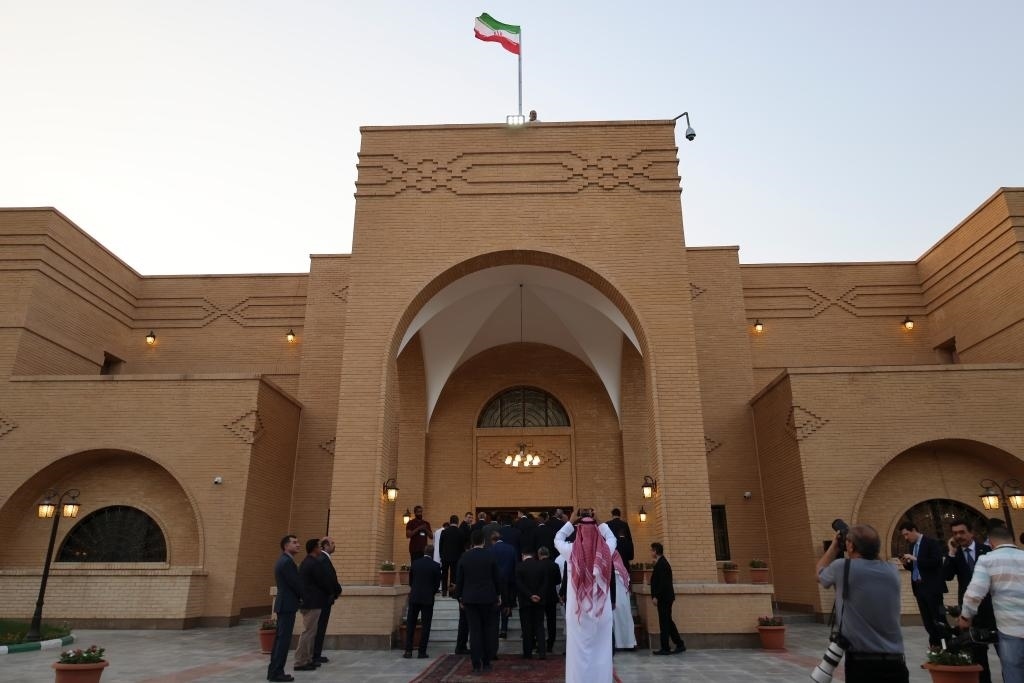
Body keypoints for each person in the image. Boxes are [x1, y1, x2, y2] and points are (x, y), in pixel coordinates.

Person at [817, 523, 908, 682]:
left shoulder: (842, 567)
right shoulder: (892, 570)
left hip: (861, 663)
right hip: (896, 661)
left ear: (851, 546)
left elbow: (819, 573)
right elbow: (872, 560)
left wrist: (834, 547)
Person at [554, 509, 617, 683]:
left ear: (579, 532)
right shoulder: (606, 550)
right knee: (601, 652)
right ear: (596, 531)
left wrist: (570, 522)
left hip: (577, 613)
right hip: (601, 613)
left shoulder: (570, 551)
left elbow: (557, 539)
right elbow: (612, 538)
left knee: (577, 652)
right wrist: (600, 522)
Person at [958, 524, 1024, 683]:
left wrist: (965, 617)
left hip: (1010, 627)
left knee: (1014, 670)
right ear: (1012, 540)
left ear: (991, 543)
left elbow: (974, 594)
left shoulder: (987, 560)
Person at [943, 519, 994, 683]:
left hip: (991, 607)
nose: (958, 536)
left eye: (962, 532)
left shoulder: (987, 550)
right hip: (970, 610)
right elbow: (947, 576)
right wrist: (951, 552)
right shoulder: (955, 554)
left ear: (971, 533)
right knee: (978, 654)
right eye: (955, 533)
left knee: (1005, 652)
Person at [454, 528, 501, 674]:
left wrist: (459, 597)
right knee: (487, 631)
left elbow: (459, 579)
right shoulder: (490, 555)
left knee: (474, 632)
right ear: (484, 541)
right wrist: (499, 595)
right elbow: (497, 578)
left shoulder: (464, 557)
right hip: (488, 598)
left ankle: (475, 665)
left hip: (470, 599)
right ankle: (486, 662)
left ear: (472, 542)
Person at [899, 521, 947, 649]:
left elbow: (936, 562)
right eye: (904, 535)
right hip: (919, 587)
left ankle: (946, 645)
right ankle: (935, 645)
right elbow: (915, 568)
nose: (906, 538)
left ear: (914, 530)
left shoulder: (931, 543)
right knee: (927, 620)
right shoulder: (912, 546)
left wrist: (915, 559)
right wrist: (906, 564)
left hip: (933, 588)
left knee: (939, 618)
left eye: (907, 534)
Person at [295, 538, 334, 671]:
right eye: (319, 546)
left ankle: (307, 659)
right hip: (312, 603)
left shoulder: (309, 562)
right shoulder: (312, 563)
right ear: (314, 548)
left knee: (311, 632)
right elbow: (322, 581)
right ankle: (301, 661)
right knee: (308, 632)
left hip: (311, 602)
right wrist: (332, 591)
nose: (320, 549)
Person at [268, 534, 301, 683]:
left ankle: (273, 671)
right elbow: (295, 584)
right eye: (294, 542)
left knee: (280, 639)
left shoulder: (284, 560)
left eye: (298, 542)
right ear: (286, 546)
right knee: (283, 640)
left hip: (285, 604)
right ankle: (277, 672)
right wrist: (305, 596)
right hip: (287, 605)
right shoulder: (287, 562)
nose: (298, 545)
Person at [404, 543, 442, 659]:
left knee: (411, 624)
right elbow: (437, 584)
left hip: (414, 597)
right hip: (427, 599)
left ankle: (408, 651)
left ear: (424, 552)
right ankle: (422, 652)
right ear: (432, 553)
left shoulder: (415, 563)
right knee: (426, 626)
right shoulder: (436, 566)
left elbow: (411, 581)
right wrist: (431, 593)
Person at [649, 542, 685, 655]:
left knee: (664, 623)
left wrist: (656, 596)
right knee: (667, 622)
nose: (650, 552)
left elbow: (663, 583)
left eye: (651, 550)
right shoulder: (660, 563)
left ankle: (666, 648)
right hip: (664, 598)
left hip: (664, 598)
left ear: (655, 551)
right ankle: (679, 644)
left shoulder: (662, 564)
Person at [313, 536, 342, 666]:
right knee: (319, 627)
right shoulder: (323, 559)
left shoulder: (324, 559)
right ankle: (315, 655)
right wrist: (336, 591)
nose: (334, 545)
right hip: (322, 600)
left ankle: (317, 654)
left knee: (321, 627)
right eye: (332, 543)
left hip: (325, 599)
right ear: (325, 546)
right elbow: (328, 579)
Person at [515, 548, 549, 659]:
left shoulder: (519, 566)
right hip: (539, 601)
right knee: (539, 627)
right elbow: (545, 583)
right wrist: (539, 595)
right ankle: (542, 653)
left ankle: (527, 653)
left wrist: (530, 595)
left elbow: (519, 585)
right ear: (534, 555)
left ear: (523, 555)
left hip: (525, 602)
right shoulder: (541, 566)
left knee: (526, 628)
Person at [537, 546, 561, 653]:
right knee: (552, 621)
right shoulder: (554, 565)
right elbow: (558, 581)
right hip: (551, 596)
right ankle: (550, 644)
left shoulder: (537, 565)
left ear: (539, 555)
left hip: (540, 596)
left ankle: (540, 644)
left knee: (539, 621)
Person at [611, 549, 636, 650]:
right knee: (626, 621)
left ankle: (620, 644)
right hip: (624, 601)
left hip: (616, 600)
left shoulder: (613, 569)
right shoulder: (623, 569)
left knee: (617, 622)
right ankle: (629, 643)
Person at [440, 515, 464, 596]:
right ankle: (452, 592)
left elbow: (440, 545)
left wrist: (441, 555)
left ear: (450, 522)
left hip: (445, 556)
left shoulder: (444, 532)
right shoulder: (460, 532)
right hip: (456, 557)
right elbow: (462, 547)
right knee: (453, 574)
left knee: (444, 574)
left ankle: (444, 591)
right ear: (457, 522)